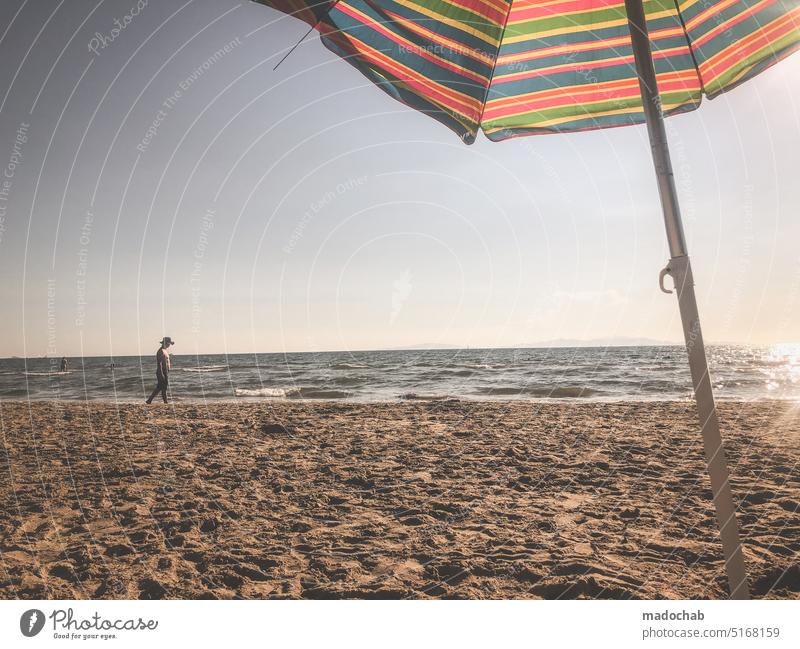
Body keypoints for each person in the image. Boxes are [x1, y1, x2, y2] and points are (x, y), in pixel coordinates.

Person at [146, 337, 174, 404]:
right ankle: (165, 401)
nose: (169, 345)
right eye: (168, 343)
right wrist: (161, 373)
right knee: (163, 387)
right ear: (165, 343)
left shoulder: (165, 350)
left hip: (165, 371)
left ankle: (149, 400)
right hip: (162, 371)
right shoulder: (160, 351)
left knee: (161, 387)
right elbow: (159, 363)